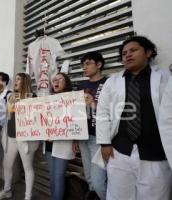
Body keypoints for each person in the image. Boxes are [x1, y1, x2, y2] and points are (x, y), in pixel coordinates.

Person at [95, 36, 172, 200]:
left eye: (133, 50)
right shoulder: (113, 82)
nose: (127, 55)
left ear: (149, 52)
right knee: (117, 196)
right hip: (120, 152)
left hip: (156, 154)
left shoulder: (166, 78)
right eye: (124, 53)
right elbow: (102, 113)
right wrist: (105, 143)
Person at [0, 73, 39, 200]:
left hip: (25, 138)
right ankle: (7, 190)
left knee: (28, 167)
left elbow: (35, 119)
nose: (15, 81)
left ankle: (27, 196)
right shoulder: (12, 96)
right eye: (15, 79)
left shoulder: (32, 96)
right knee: (7, 165)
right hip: (11, 136)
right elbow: (9, 118)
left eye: (18, 79)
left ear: (25, 81)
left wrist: (22, 104)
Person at [73, 52, 107, 200]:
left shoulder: (108, 84)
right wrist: (74, 138)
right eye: (83, 65)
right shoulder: (81, 86)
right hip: (83, 136)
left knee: (99, 182)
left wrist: (93, 103)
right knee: (90, 179)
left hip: (100, 138)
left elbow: (115, 112)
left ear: (99, 65)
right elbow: (74, 113)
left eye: (88, 64)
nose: (84, 68)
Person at [44, 72, 74, 200]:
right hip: (49, 144)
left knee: (59, 176)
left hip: (63, 143)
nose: (56, 82)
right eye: (54, 80)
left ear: (66, 82)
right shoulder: (47, 100)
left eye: (60, 79)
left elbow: (75, 122)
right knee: (52, 177)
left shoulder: (73, 99)